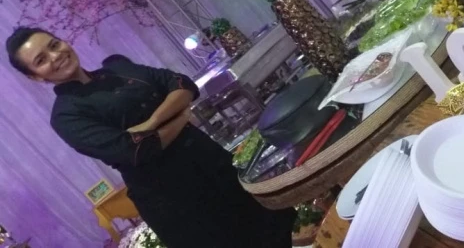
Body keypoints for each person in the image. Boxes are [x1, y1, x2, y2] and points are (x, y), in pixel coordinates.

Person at [6, 27, 296, 248]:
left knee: (278, 230)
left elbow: (183, 84)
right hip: (176, 203)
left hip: (214, 165)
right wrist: (181, 116)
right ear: (36, 77)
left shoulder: (117, 67)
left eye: (54, 44)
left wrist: (152, 122)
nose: (55, 56)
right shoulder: (67, 116)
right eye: (41, 60)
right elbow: (136, 150)